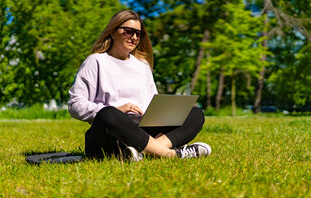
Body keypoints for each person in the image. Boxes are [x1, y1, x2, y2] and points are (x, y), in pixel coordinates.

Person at [68, 10, 211, 161]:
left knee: (195, 114)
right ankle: (170, 154)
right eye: (128, 32)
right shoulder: (95, 61)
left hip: (143, 130)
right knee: (108, 114)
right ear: (112, 32)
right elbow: (75, 105)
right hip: (108, 135)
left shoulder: (142, 66)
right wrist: (118, 110)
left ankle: (143, 151)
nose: (134, 38)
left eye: (139, 34)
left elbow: (152, 101)